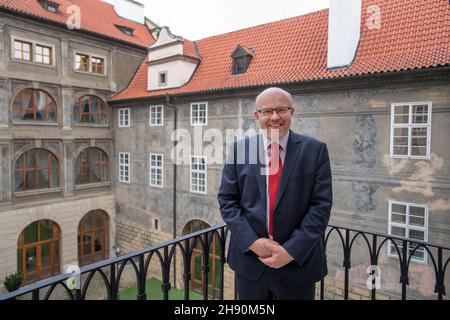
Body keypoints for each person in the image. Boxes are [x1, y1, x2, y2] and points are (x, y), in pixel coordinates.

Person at [217, 87, 332, 300]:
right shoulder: (239, 149)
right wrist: (253, 242)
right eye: (267, 111)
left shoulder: (315, 151)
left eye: (281, 110)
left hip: (298, 264)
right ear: (257, 115)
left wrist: (291, 251)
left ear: (292, 111)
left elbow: (321, 205)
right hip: (251, 262)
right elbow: (227, 200)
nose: (275, 117)